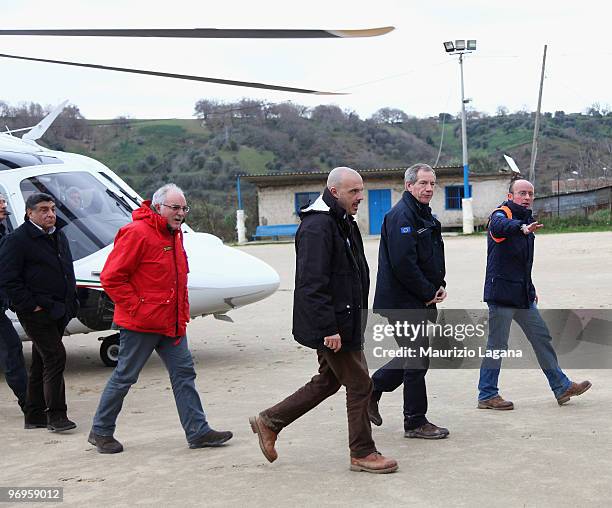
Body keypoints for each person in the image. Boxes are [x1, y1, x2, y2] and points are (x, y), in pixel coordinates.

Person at [249, 167, 398, 474]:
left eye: (361, 190)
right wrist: (328, 328)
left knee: (329, 381)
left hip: (346, 320)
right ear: (334, 192)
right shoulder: (318, 226)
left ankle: (269, 421)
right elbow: (311, 283)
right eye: (353, 192)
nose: (360, 197)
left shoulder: (342, 221)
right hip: (335, 325)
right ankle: (362, 452)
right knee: (360, 384)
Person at [89, 183, 232, 454]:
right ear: (158, 207)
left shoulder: (174, 235)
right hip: (141, 324)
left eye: (183, 208)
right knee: (125, 377)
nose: (180, 213)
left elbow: (176, 280)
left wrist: (181, 312)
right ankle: (101, 431)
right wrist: (139, 309)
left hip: (171, 323)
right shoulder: (136, 233)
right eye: (175, 207)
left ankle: (198, 432)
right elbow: (111, 277)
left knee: (184, 374)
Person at [477, 178, 591, 409]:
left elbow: (521, 263)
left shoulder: (527, 219)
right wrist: (520, 228)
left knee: (541, 338)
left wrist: (530, 287)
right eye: (522, 193)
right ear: (510, 196)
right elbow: (499, 227)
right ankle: (487, 395)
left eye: (530, 193)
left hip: (522, 295)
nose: (527, 197)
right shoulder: (502, 214)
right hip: (501, 295)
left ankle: (562, 386)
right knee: (497, 345)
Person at [368, 163, 449, 440]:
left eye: (432, 183)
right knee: (416, 361)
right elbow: (404, 264)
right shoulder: (401, 216)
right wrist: (428, 291)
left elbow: (431, 257)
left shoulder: (423, 215)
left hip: (421, 299)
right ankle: (414, 421)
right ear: (409, 185)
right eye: (423, 183)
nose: (428, 189)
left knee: (416, 358)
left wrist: (439, 286)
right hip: (403, 302)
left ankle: (372, 388)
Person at [0, 193, 78, 431]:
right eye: (44, 209)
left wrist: (70, 301)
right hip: (35, 312)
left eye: (52, 209)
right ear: (29, 213)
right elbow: (7, 279)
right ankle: (56, 416)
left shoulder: (58, 235)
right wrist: (29, 305)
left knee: (40, 362)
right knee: (55, 357)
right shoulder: (17, 240)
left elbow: (67, 269)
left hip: (58, 309)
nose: (50, 214)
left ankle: (34, 416)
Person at [0, 193, 28, 413]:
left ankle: (30, 403)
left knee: (12, 349)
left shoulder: (5, 232)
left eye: (3, 201)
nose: (4, 205)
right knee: (11, 349)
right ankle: (30, 405)